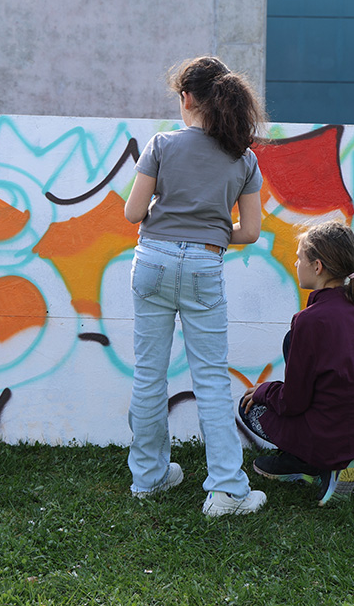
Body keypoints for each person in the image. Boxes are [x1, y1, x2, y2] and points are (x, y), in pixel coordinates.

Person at [123, 56, 268, 517]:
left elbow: (132, 213)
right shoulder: (243, 157)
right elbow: (249, 232)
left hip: (152, 261)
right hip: (205, 265)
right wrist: (208, 232)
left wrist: (169, 227)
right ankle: (226, 489)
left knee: (149, 373)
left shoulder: (161, 145)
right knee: (210, 378)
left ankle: (148, 479)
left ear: (187, 98)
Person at [238, 220, 354, 505]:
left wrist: (264, 390)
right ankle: (330, 463)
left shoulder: (309, 321)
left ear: (317, 266)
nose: (296, 263)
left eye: (300, 258)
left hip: (329, 437)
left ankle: (316, 463)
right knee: (290, 344)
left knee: (251, 408)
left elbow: (293, 403)